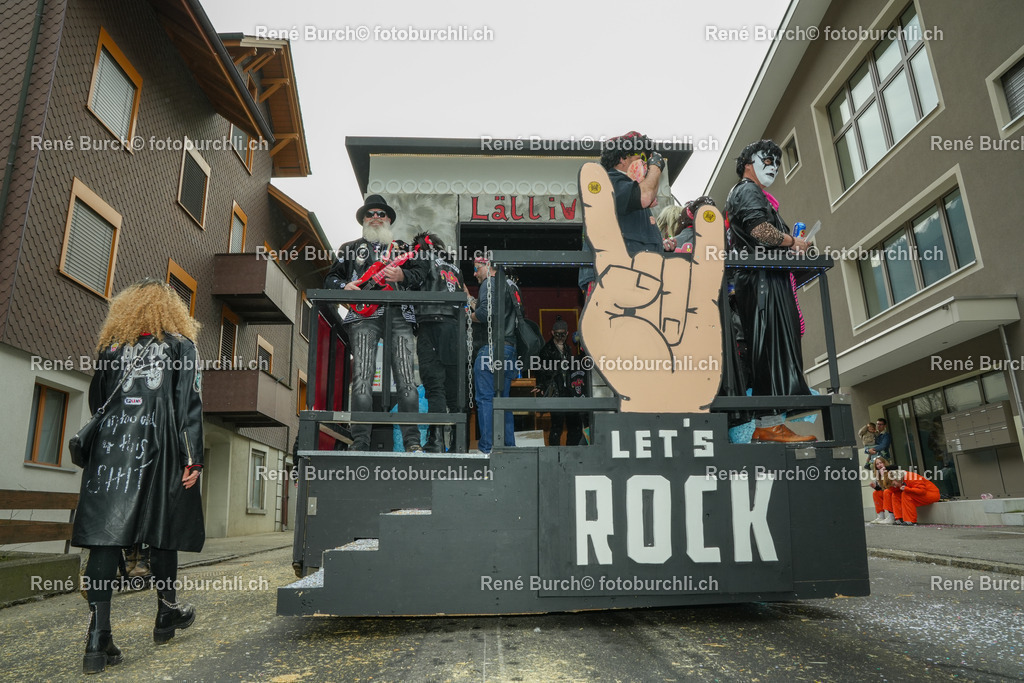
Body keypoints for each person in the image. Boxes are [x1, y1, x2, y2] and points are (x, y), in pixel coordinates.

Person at [71, 280, 204, 674]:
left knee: (103, 536)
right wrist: (192, 458)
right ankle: (166, 612)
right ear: (170, 310)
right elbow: (188, 404)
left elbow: (97, 401)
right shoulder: (182, 346)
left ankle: (98, 637)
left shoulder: (111, 348)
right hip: (160, 446)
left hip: (111, 449)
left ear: (127, 309)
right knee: (163, 527)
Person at [724, 139, 814, 443]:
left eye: (777, 162)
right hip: (761, 282)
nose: (773, 166)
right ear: (748, 162)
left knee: (773, 349)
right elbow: (760, 231)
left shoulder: (751, 193)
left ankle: (770, 423)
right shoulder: (746, 191)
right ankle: (768, 424)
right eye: (767, 160)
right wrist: (793, 242)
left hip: (764, 279)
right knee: (769, 349)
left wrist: (793, 245)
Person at [324, 194, 423, 452]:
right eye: (371, 214)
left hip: (399, 312)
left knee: (406, 378)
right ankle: (360, 442)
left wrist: (403, 274)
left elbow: (421, 276)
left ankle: (413, 442)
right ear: (363, 219)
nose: (376, 217)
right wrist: (344, 285)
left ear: (389, 218)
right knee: (362, 377)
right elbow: (330, 278)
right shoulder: (349, 247)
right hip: (363, 316)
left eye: (381, 213)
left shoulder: (402, 248)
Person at [579, 131, 673, 296]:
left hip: (633, 276)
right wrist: (656, 166)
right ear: (622, 158)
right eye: (642, 159)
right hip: (613, 276)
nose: (646, 165)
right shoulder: (608, 182)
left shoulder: (629, 190)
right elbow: (646, 195)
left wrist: (660, 246)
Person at [409, 232, 465, 452]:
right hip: (453, 328)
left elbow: (412, 281)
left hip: (430, 324)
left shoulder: (422, 258)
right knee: (454, 387)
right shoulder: (455, 269)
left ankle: (436, 440)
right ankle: (459, 442)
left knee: (434, 386)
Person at [469, 256, 519, 454]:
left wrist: (468, 315)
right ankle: (508, 447)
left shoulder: (489, 283)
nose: (474, 273)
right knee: (503, 400)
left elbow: (484, 314)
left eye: (476, 268)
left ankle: (487, 448)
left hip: (491, 350)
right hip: (509, 350)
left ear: (488, 266)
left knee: (486, 400)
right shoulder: (511, 285)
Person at [535, 318, 583, 446]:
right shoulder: (546, 350)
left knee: (575, 425)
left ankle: (571, 452)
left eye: (563, 334)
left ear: (567, 333)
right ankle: (555, 455)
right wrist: (541, 385)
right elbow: (541, 370)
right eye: (557, 334)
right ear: (552, 333)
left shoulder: (567, 349)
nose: (560, 336)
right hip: (556, 392)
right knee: (557, 425)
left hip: (569, 392)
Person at [867, 457, 892, 523]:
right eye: (877, 464)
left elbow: (889, 486)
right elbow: (882, 488)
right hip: (886, 491)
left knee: (886, 492)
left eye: (881, 463)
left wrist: (884, 472)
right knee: (876, 493)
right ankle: (880, 516)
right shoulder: (878, 474)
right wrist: (875, 487)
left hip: (893, 491)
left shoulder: (890, 470)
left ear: (884, 463)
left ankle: (891, 516)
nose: (879, 465)